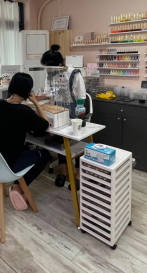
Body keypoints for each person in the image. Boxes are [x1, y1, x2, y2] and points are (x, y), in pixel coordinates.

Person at [0, 72, 51, 210]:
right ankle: (18, 187)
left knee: (26, 147)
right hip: (7, 164)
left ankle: (17, 186)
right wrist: (35, 102)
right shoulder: (23, 111)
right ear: (28, 91)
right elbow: (45, 125)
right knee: (45, 155)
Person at [39, 44, 86, 188]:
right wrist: (37, 98)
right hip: (59, 111)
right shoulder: (50, 75)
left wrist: (79, 113)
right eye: (46, 68)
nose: (48, 71)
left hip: (75, 111)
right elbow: (48, 93)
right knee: (60, 140)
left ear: (59, 64)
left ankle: (78, 173)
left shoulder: (74, 73)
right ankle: (64, 170)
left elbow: (81, 95)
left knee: (77, 141)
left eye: (49, 67)